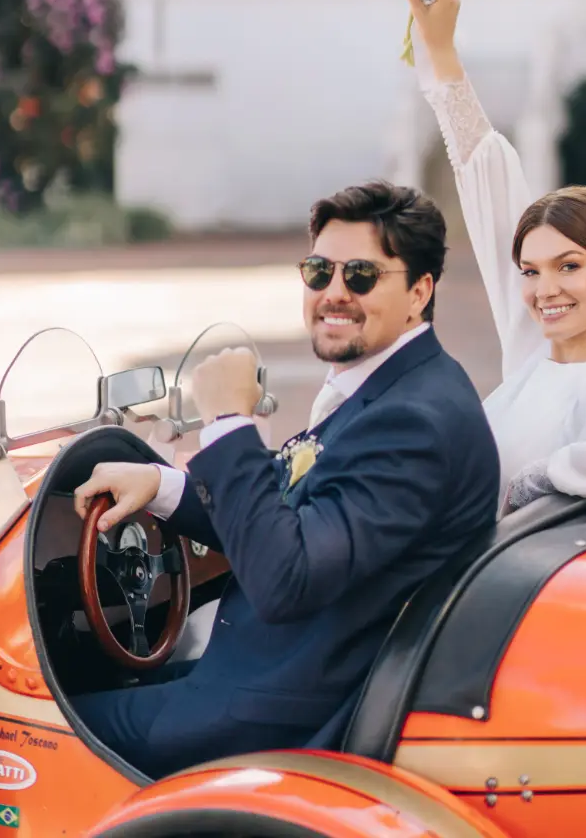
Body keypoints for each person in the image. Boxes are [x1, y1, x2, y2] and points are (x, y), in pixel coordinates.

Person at [71, 181, 499, 780]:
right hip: (264, 675)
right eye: (319, 271)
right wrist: (162, 486)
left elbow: (283, 577)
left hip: (281, 711)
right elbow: (292, 503)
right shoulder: (399, 388)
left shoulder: (414, 422)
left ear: (419, 290)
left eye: (362, 275)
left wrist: (227, 422)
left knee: (30, 731)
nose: (334, 293)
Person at [405, 0, 586, 515]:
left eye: (570, 266)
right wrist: (439, 50)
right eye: (530, 271)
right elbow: (484, 173)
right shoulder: (535, 350)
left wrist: (534, 483)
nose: (543, 290)